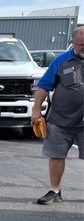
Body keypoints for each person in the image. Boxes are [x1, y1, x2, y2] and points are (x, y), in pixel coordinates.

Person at [31, 26, 84, 204]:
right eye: (79, 44)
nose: (82, 47)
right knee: (56, 155)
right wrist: (36, 110)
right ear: (73, 42)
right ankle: (54, 190)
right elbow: (44, 86)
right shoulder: (61, 61)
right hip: (61, 119)